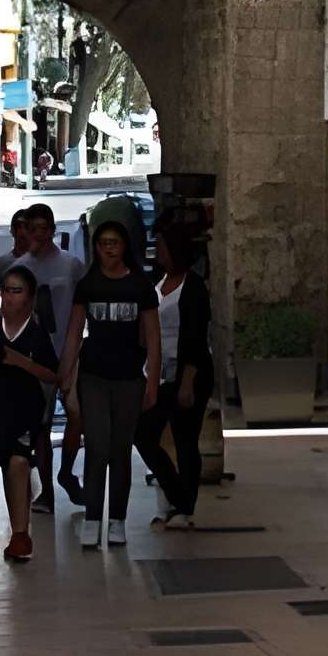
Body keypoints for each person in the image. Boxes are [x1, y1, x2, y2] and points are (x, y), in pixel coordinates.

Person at [61, 217, 159, 550]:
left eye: (114, 242)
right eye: (103, 243)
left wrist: (153, 380)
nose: (108, 249)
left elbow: (153, 336)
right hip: (93, 376)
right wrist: (66, 377)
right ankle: (92, 518)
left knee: (120, 449)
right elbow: (74, 333)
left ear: (125, 246)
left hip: (130, 377)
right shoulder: (88, 285)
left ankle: (117, 519)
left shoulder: (141, 287)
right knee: (98, 446)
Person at [0, 262, 59, 564]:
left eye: (16, 291)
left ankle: (21, 535)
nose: (9, 297)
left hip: (28, 407)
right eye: (6, 290)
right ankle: (18, 529)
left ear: (30, 296)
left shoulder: (36, 334)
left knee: (20, 462)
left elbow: (51, 374)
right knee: (8, 465)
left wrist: (19, 361)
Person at [135, 221, 213, 527]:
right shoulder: (157, 279)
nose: (159, 252)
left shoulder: (193, 287)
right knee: (143, 435)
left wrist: (188, 382)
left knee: (185, 440)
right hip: (158, 372)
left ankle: (186, 508)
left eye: (163, 246)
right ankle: (177, 495)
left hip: (186, 375)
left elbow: (196, 337)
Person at [21, 201, 87, 510]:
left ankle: (66, 471)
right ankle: (46, 490)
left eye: (42, 229)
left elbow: (81, 309)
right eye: (31, 229)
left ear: (51, 230)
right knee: (41, 426)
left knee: (77, 416)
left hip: (70, 350)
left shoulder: (71, 265)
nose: (37, 235)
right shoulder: (20, 267)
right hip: (37, 357)